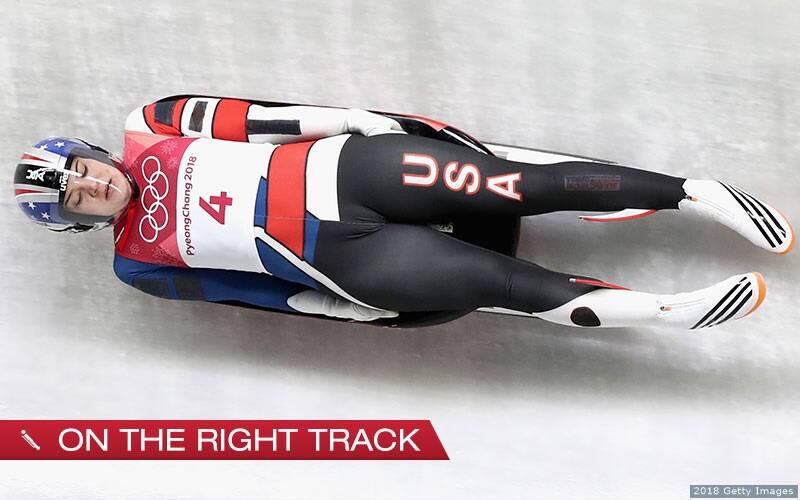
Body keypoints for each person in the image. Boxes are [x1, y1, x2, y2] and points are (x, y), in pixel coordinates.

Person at [13, 95, 794, 329]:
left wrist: (351, 121)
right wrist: (338, 311)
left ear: (91, 152)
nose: (93, 186)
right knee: (500, 285)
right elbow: (243, 294)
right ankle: (667, 312)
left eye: (82, 170)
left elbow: (256, 119)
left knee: (514, 184)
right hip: (342, 263)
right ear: (79, 219)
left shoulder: (151, 123)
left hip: (346, 169)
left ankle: (693, 192)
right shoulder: (136, 267)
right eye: (77, 196)